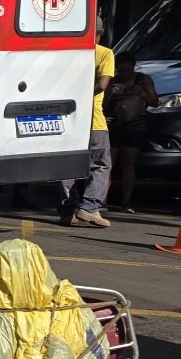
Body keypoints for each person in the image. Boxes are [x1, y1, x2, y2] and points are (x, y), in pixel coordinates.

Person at [60, 18, 115, 228]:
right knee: (101, 164)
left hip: (68, 116)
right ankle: (90, 207)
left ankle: (66, 210)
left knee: (67, 164)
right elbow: (102, 84)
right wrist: (83, 95)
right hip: (93, 119)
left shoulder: (69, 52)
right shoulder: (104, 53)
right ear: (100, 33)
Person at [105, 51, 158, 212]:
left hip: (134, 127)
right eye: (121, 71)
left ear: (134, 67)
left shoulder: (143, 79)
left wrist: (141, 93)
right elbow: (102, 107)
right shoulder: (111, 82)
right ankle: (101, 200)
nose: (125, 74)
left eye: (128, 70)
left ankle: (126, 201)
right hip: (113, 126)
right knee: (108, 165)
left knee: (129, 164)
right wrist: (108, 93)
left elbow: (155, 102)